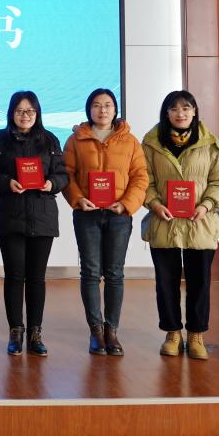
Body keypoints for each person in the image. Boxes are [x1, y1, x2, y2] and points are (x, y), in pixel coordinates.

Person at [141, 90, 219, 360]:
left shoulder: (210, 143)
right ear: (166, 113)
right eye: (174, 108)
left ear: (194, 112)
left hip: (200, 224)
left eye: (186, 108)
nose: (180, 113)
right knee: (166, 283)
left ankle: (196, 335)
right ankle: (172, 334)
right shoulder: (151, 143)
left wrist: (207, 205)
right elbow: (144, 180)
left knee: (199, 283)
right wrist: (155, 203)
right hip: (164, 222)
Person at [62, 88, 148, 356]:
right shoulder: (76, 140)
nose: (102, 110)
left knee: (114, 274)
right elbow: (67, 174)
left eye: (108, 105)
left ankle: (112, 331)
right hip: (86, 213)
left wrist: (126, 204)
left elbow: (140, 176)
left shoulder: (130, 141)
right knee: (90, 272)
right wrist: (78, 199)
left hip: (118, 215)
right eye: (97, 105)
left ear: (115, 109)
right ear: (89, 109)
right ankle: (96, 331)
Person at [0, 91, 68, 356]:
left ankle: (35, 333)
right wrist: (6, 182)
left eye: (30, 111)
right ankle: (15, 331)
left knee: (36, 278)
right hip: (11, 215)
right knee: (14, 276)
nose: (25, 116)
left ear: (37, 113)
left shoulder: (51, 140)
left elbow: (63, 174)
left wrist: (51, 183)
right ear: (11, 113)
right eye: (20, 111)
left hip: (43, 215)